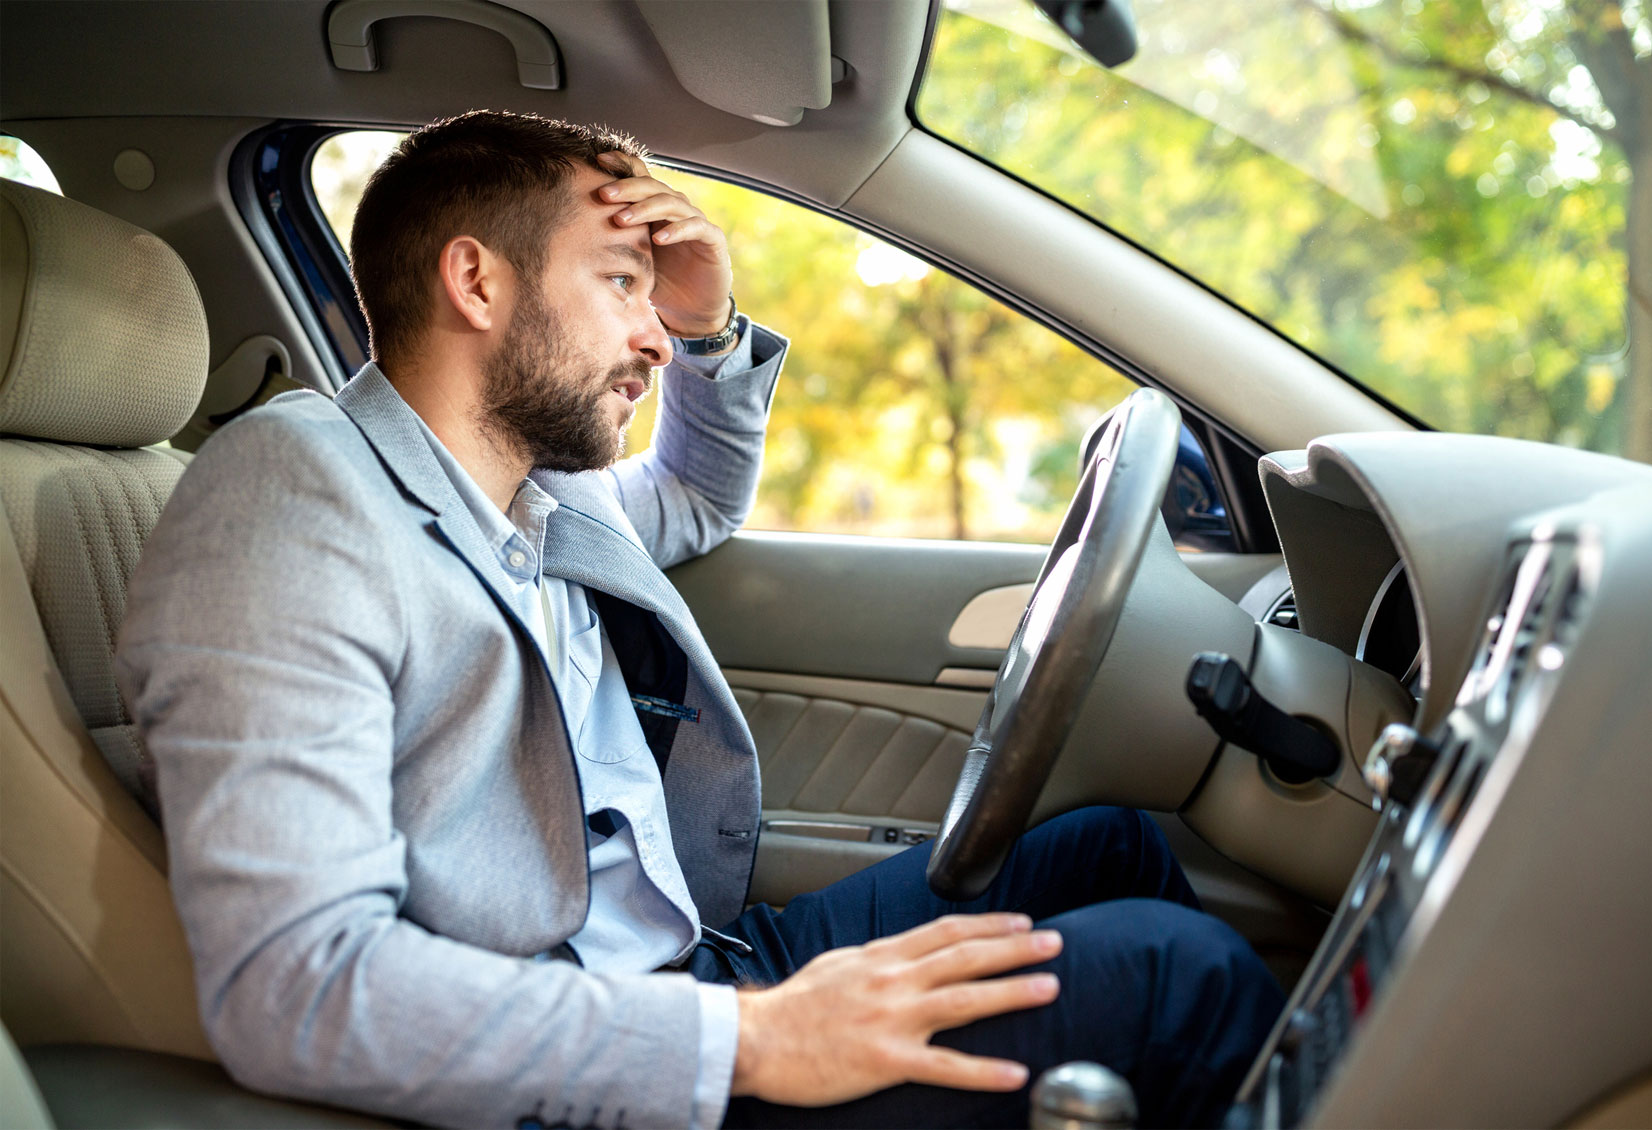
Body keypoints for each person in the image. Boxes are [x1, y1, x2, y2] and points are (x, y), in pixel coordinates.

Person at [116, 111, 1283, 1130]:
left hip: (696, 969)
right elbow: (297, 990)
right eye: (619, 283)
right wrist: (760, 1043)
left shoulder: (527, 485)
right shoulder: (291, 496)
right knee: (1182, 976)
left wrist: (716, 321)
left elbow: (696, 495)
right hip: (587, 1064)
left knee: (1114, 844)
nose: (654, 336)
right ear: (476, 282)